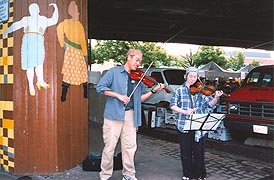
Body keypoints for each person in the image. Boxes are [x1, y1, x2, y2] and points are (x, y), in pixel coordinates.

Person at [96, 49, 165, 180]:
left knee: (129, 147)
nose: (138, 64)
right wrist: (118, 95)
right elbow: (100, 87)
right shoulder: (114, 72)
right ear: (129, 57)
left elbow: (139, 99)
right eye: (136, 60)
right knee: (109, 147)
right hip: (113, 115)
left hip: (130, 115)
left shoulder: (138, 77)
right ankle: (105, 176)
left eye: (140, 61)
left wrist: (153, 91)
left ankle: (129, 175)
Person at [169, 67, 223, 180]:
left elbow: (210, 105)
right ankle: (187, 174)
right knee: (186, 152)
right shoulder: (179, 90)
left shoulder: (201, 91)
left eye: (195, 76)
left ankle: (200, 174)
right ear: (186, 76)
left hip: (199, 125)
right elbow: (172, 105)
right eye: (190, 76)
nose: (193, 79)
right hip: (184, 125)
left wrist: (216, 97)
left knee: (199, 152)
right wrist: (184, 111)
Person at [3, 3, 59, 96]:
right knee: (30, 65)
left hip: (38, 40)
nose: (32, 11)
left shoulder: (43, 19)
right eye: (31, 9)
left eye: (34, 9)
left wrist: (56, 8)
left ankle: (40, 80)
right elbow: (16, 25)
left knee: (39, 62)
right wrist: (7, 31)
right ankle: (31, 85)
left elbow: (54, 20)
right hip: (28, 41)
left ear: (38, 10)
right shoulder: (26, 19)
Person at [56, 0, 88, 102]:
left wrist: (85, 53)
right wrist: (63, 43)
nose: (78, 13)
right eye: (77, 12)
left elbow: (83, 40)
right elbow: (59, 29)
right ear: (72, 12)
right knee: (68, 72)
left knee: (83, 72)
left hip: (79, 51)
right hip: (70, 50)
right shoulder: (66, 23)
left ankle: (85, 92)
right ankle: (64, 93)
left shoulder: (79, 25)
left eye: (78, 12)